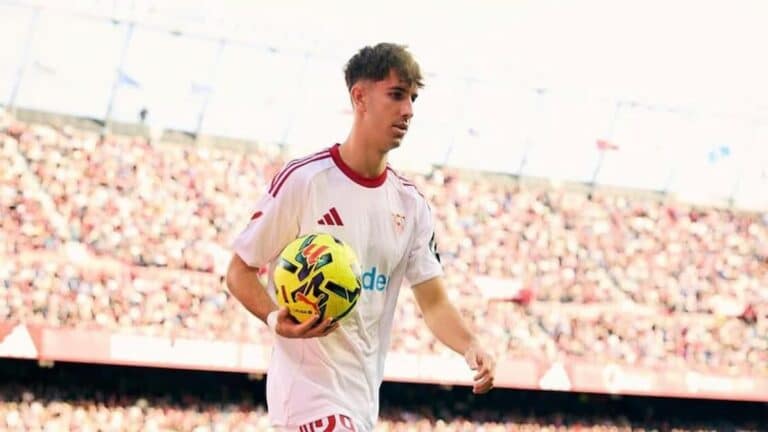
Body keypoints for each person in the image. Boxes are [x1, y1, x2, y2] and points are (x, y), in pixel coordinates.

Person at [226, 42, 495, 432]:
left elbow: (434, 303)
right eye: (397, 95)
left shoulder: (411, 205)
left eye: (413, 98)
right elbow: (239, 270)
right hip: (306, 398)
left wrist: (471, 345)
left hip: (362, 403)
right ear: (360, 97)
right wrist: (273, 318)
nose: (409, 110)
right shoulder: (305, 181)